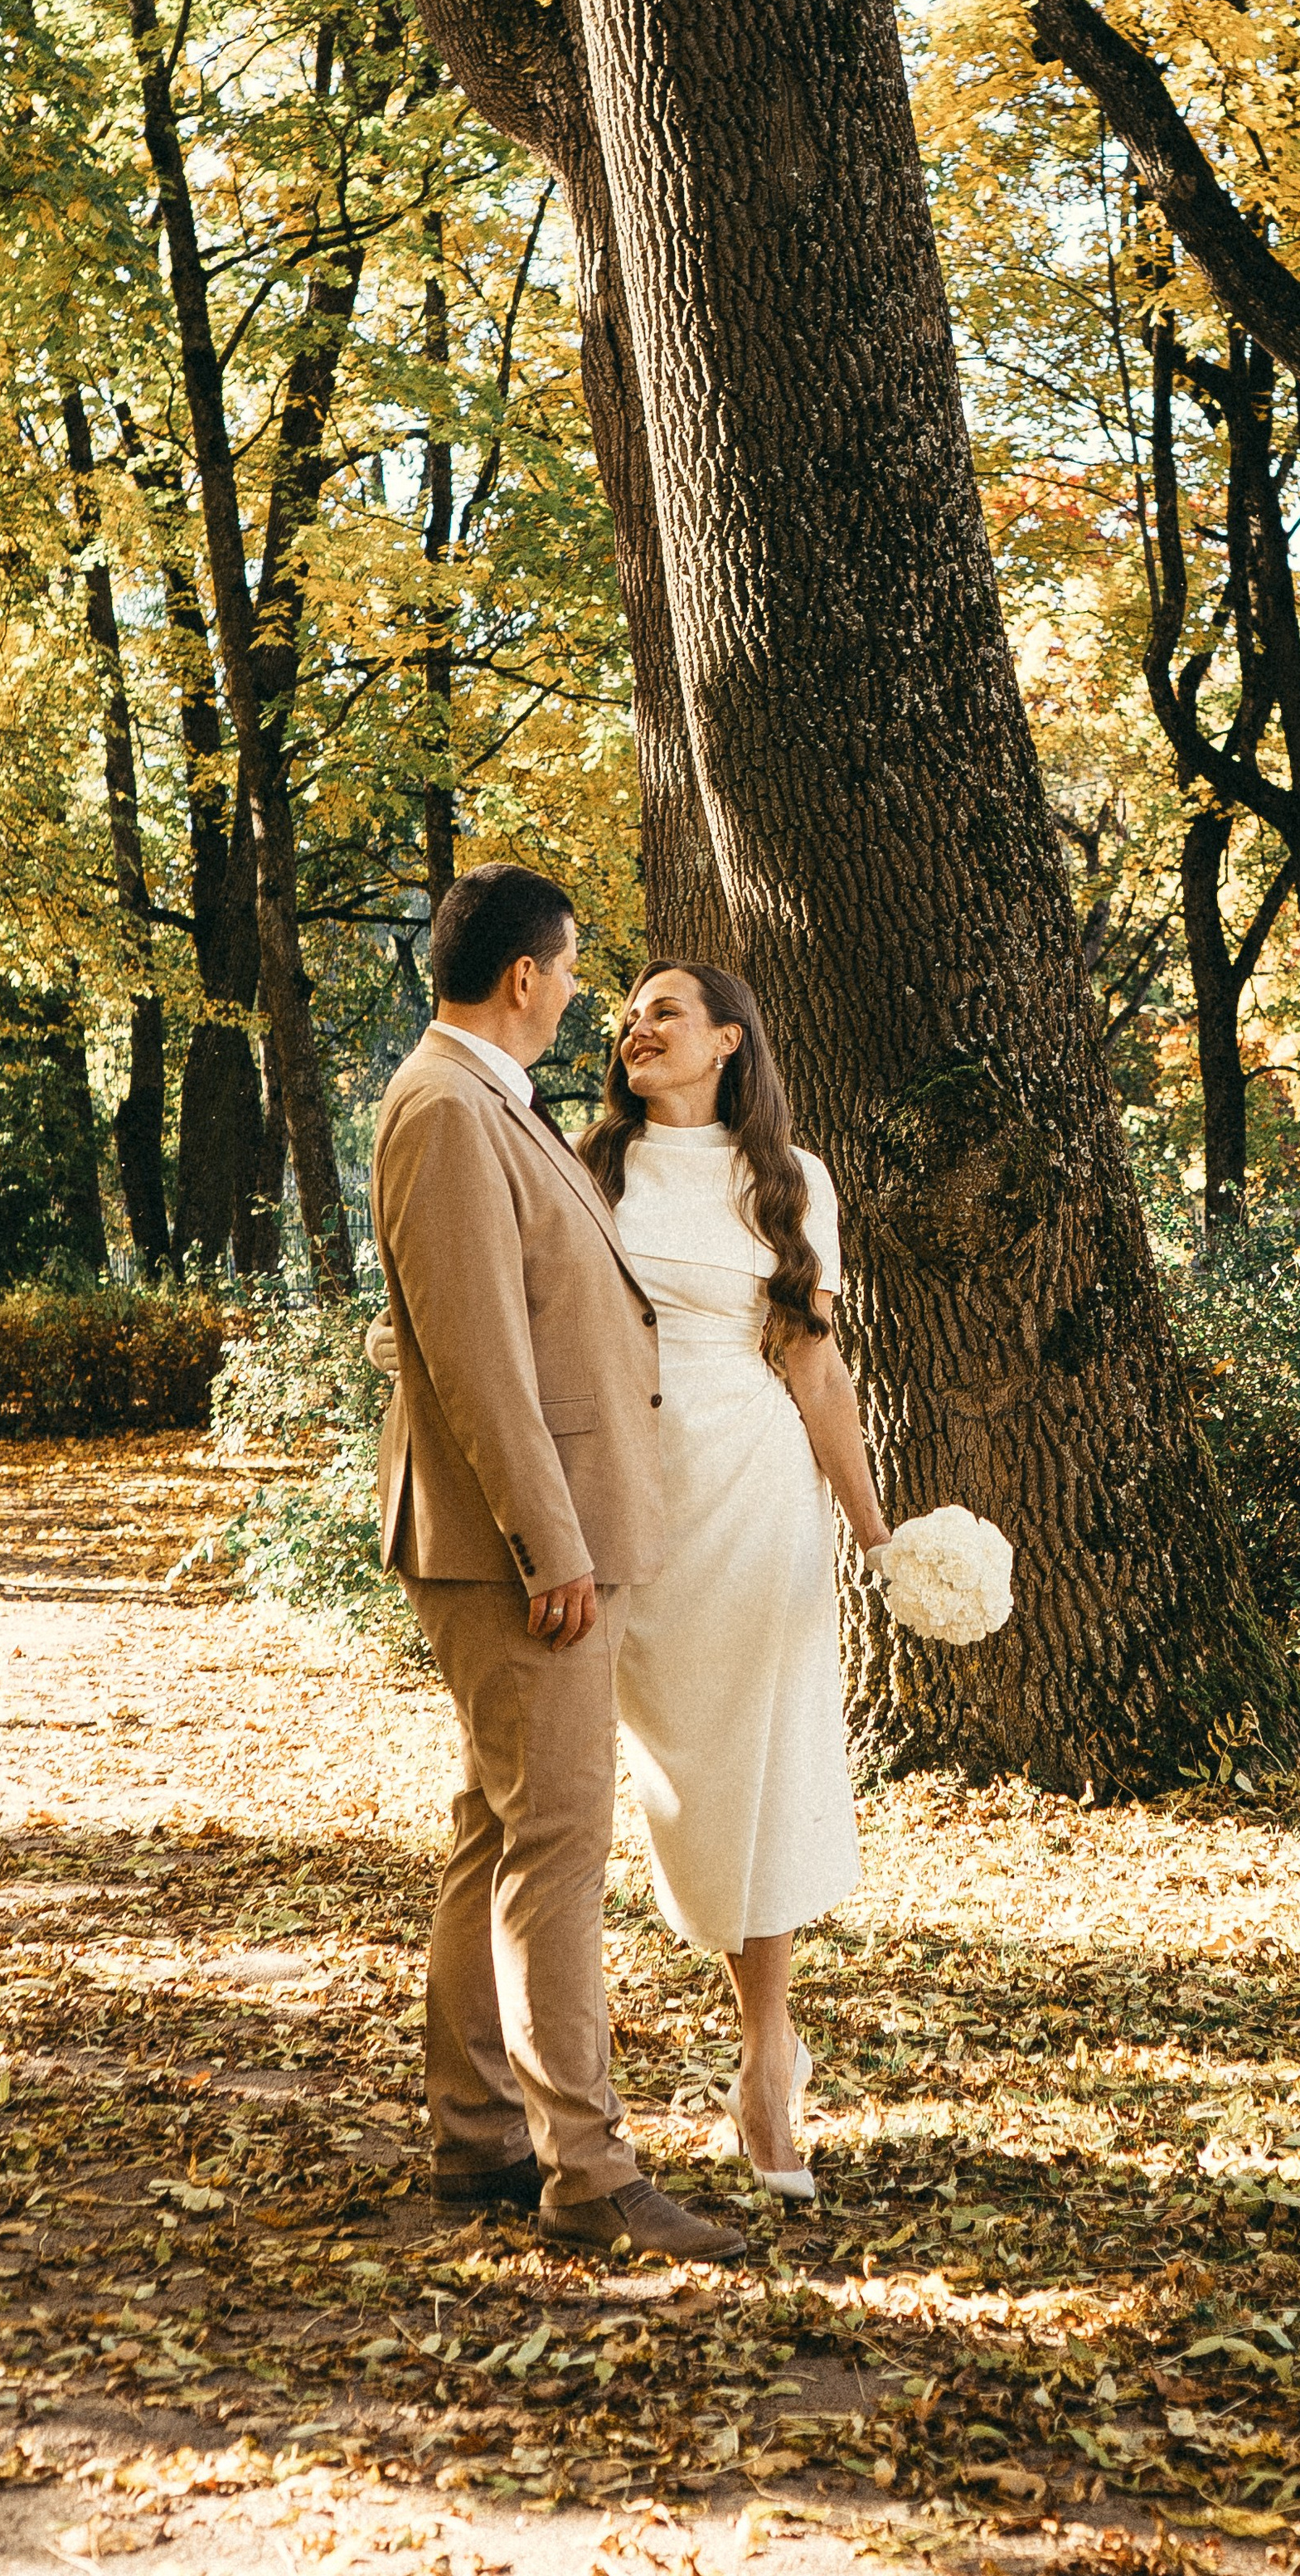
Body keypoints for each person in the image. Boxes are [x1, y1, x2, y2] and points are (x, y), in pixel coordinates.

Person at [370, 866, 745, 2264]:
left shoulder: (481, 1103)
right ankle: (585, 2171)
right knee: (560, 1842)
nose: (581, 987)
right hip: (514, 1545)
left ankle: (476, 2135)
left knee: (500, 1825)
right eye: (575, 964)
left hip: (525, 1534)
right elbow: (476, 1357)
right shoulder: (449, 1110)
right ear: (524, 975)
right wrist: (552, 1543)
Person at [581, 963, 894, 2197]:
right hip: (618, 1502)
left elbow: (815, 1373)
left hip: (754, 1494)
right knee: (672, 1782)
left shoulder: (789, 1181)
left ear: (727, 1041)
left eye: (667, 1009)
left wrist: (882, 1541)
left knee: (760, 1772)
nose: (637, 1026)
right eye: (628, 1012)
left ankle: (767, 2061)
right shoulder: (582, 1165)